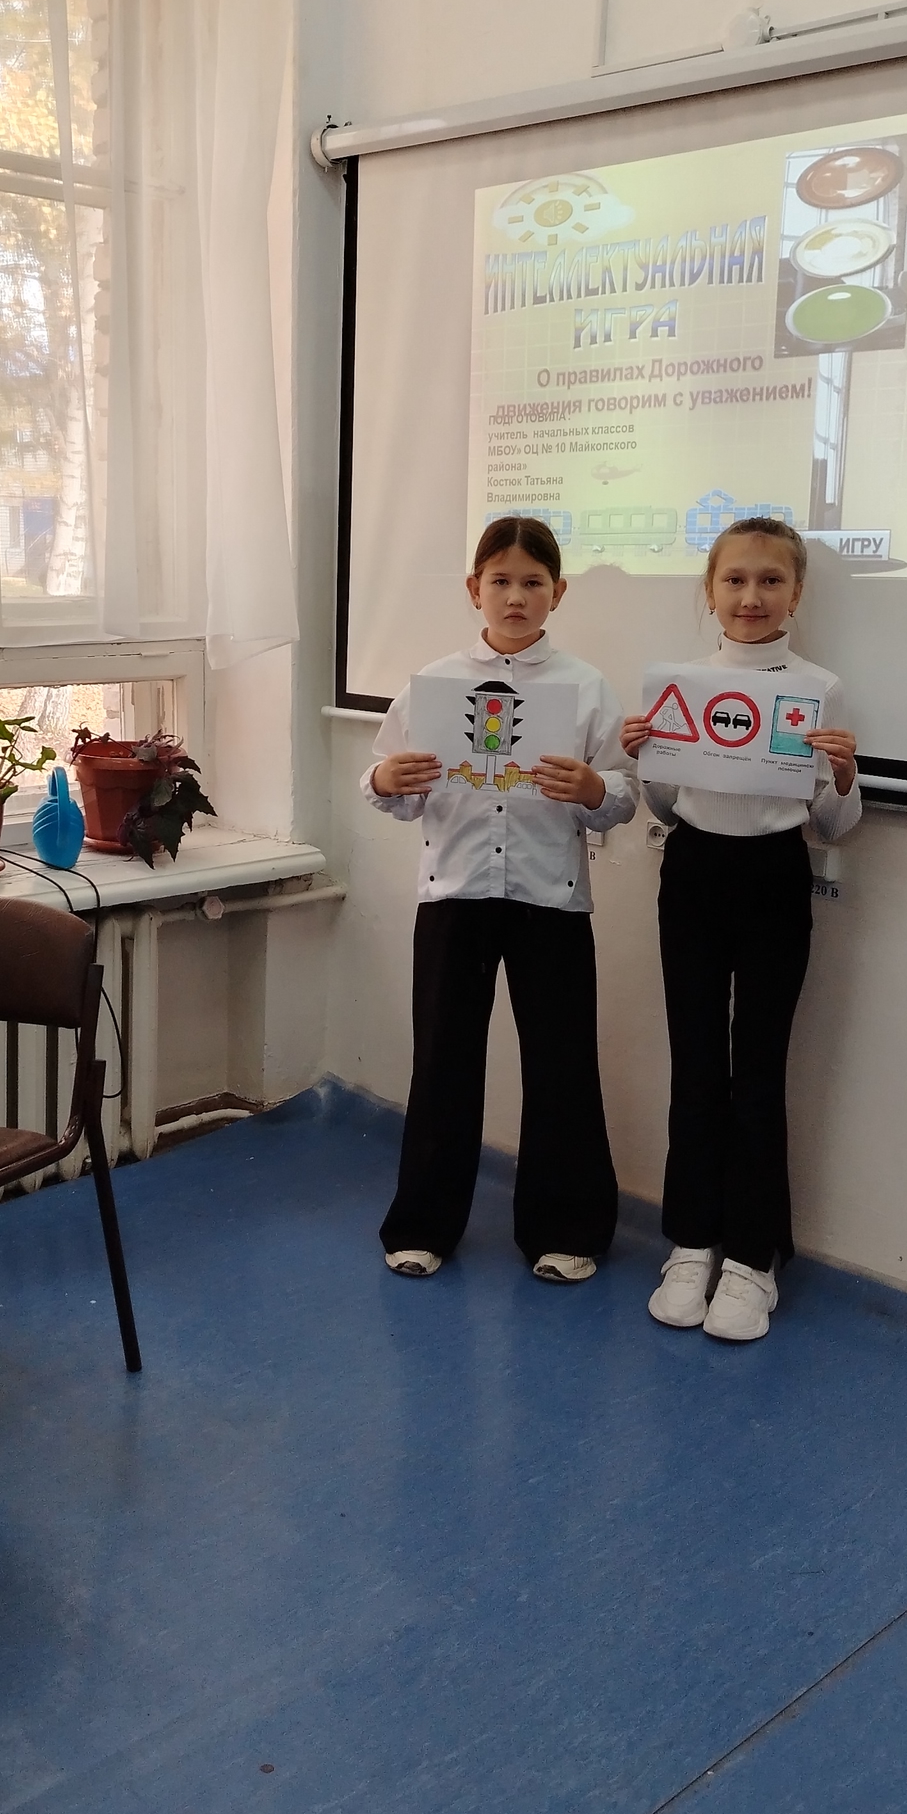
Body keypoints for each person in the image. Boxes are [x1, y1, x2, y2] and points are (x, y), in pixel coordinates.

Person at [364, 516, 635, 1281]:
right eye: (501, 581)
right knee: (442, 1061)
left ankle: (566, 1230)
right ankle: (423, 1225)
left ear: (558, 592)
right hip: (454, 892)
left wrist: (595, 788)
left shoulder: (586, 687)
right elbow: (388, 784)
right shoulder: (435, 683)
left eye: (533, 582)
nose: (516, 597)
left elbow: (621, 797)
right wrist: (386, 779)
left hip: (551, 896)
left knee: (562, 1064)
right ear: (474, 587)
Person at [620, 517, 859, 1342]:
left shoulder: (819, 688)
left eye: (770, 580)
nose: (751, 596)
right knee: (694, 1064)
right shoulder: (680, 685)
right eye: (735, 579)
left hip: (773, 877)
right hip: (691, 873)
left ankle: (753, 1260)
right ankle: (691, 1244)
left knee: (758, 1071)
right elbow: (663, 806)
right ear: (710, 590)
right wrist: (645, 758)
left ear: (796, 593)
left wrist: (844, 775)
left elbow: (832, 825)